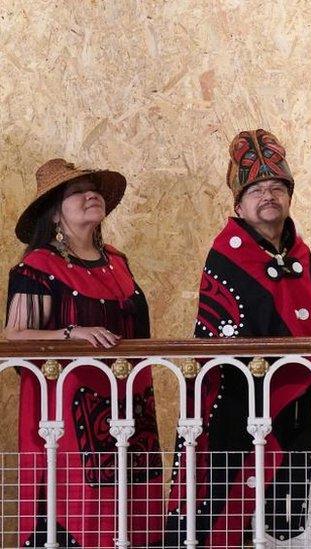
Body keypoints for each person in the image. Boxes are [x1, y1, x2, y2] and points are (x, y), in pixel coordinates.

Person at [165, 129, 311, 547]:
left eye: (277, 187)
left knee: (292, 515)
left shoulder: (301, 253)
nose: (268, 196)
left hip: (303, 406)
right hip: (240, 408)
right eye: (257, 189)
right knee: (232, 515)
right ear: (238, 203)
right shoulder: (226, 252)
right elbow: (220, 342)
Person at [4, 158, 162, 547]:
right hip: (69, 412)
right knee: (79, 512)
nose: (91, 195)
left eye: (94, 189)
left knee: (137, 511)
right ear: (55, 212)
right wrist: (72, 333)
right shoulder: (37, 266)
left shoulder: (119, 261)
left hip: (131, 406)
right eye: (77, 192)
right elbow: (13, 338)